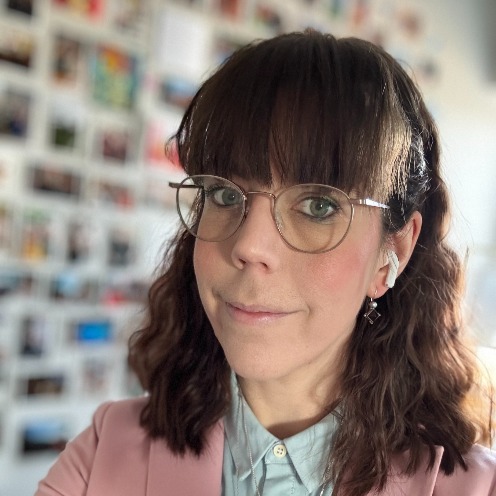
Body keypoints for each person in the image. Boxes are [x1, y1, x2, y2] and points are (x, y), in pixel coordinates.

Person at [36, 29, 496, 496]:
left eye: (318, 205)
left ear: (391, 252)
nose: (249, 245)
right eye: (223, 194)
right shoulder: (103, 453)